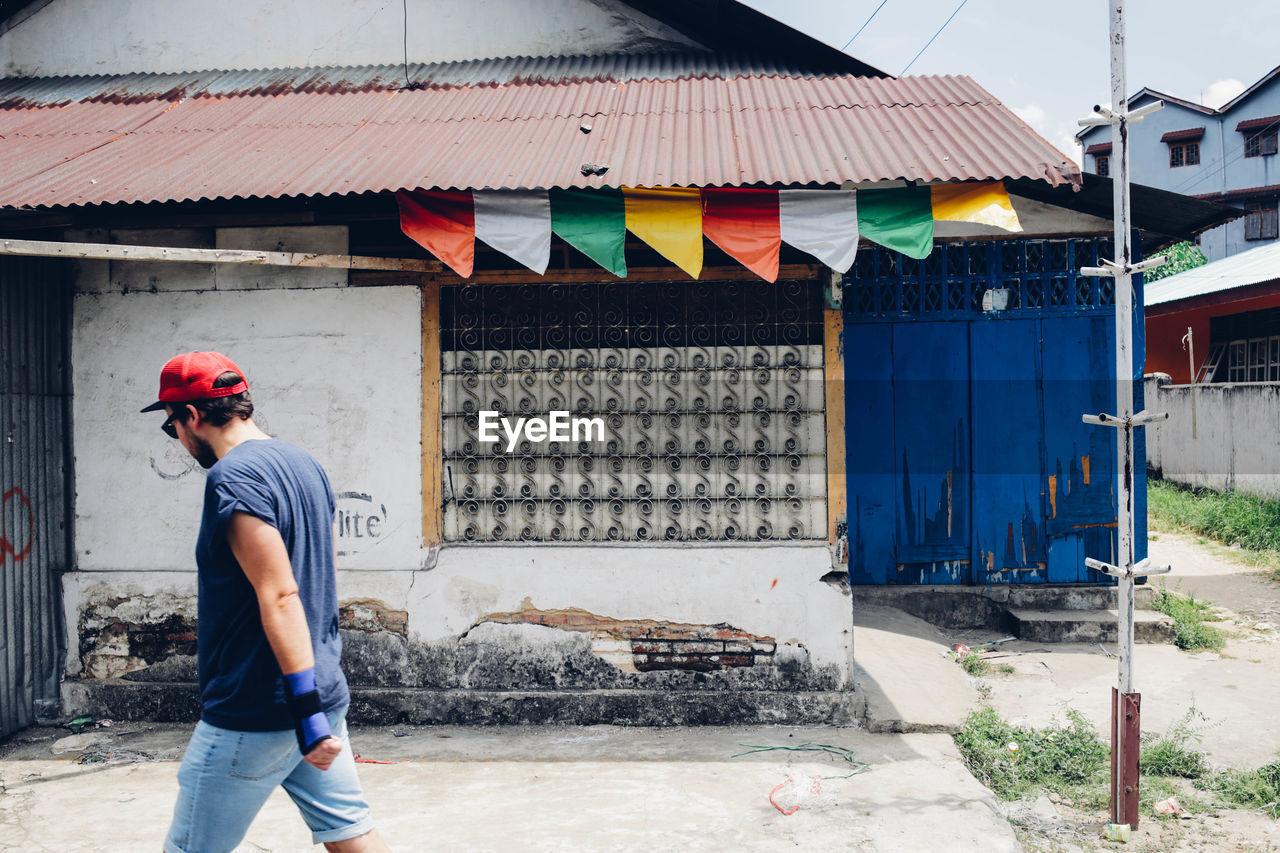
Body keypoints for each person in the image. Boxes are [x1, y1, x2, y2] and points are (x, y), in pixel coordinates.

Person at [142, 351, 389, 853]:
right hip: (317, 692)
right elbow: (326, 575)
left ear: (191, 416)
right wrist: (314, 703)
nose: (180, 441)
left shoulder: (232, 478)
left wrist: (304, 711)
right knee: (349, 831)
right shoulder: (304, 463)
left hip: (260, 705)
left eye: (173, 428)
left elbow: (280, 592)